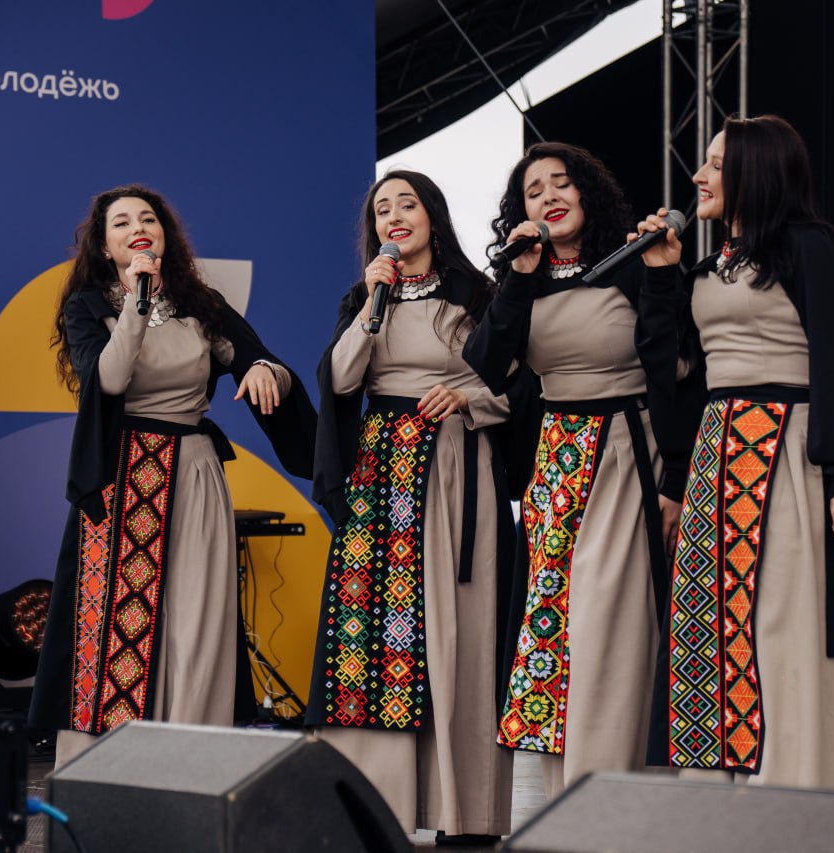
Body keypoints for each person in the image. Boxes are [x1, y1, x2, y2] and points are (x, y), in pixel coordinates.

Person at [636, 114, 834, 792]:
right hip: (717, 456)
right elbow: (672, 376)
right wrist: (660, 279)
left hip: (787, 451)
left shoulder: (811, 249)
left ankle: (796, 787)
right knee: (711, 624)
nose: (699, 176)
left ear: (759, 171)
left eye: (717, 165)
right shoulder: (707, 266)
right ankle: (720, 793)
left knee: (783, 619)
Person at [29, 184, 317, 766]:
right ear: (105, 246)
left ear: (165, 236)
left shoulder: (199, 304)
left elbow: (263, 360)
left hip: (193, 471)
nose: (138, 228)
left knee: (198, 620)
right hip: (122, 477)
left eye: (148, 219)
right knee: (117, 628)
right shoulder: (88, 305)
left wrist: (265, 371)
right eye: (121, 223)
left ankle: (190, 764)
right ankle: (110, 768)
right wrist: (136, 305)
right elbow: (110, 379)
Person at [462, 142, 694, 798]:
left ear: (588, 192)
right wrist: (517, 277)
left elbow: (672, 364)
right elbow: (485, 364)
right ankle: (569, 792)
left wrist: (674, 478)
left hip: (625, 449)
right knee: (556, 626)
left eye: (562, 183)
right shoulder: (524, 278)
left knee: (611, 619)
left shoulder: (631, 263)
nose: (550, 197)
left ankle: (620, 780)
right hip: (557, 463)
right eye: (534, 191)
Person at [308, 170, 527, 843]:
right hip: (382, 472)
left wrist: (469, 398)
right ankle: (376, 809)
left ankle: (467, 814)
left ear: (433, 215)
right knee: (373, 638)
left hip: (458, 463)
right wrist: (372, 303)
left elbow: (523, 385)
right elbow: (341, 379)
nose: (395, 216)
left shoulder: (477, 295)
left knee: (462, 629)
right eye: (382, 209)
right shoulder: (363, 297)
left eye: (408, 203)